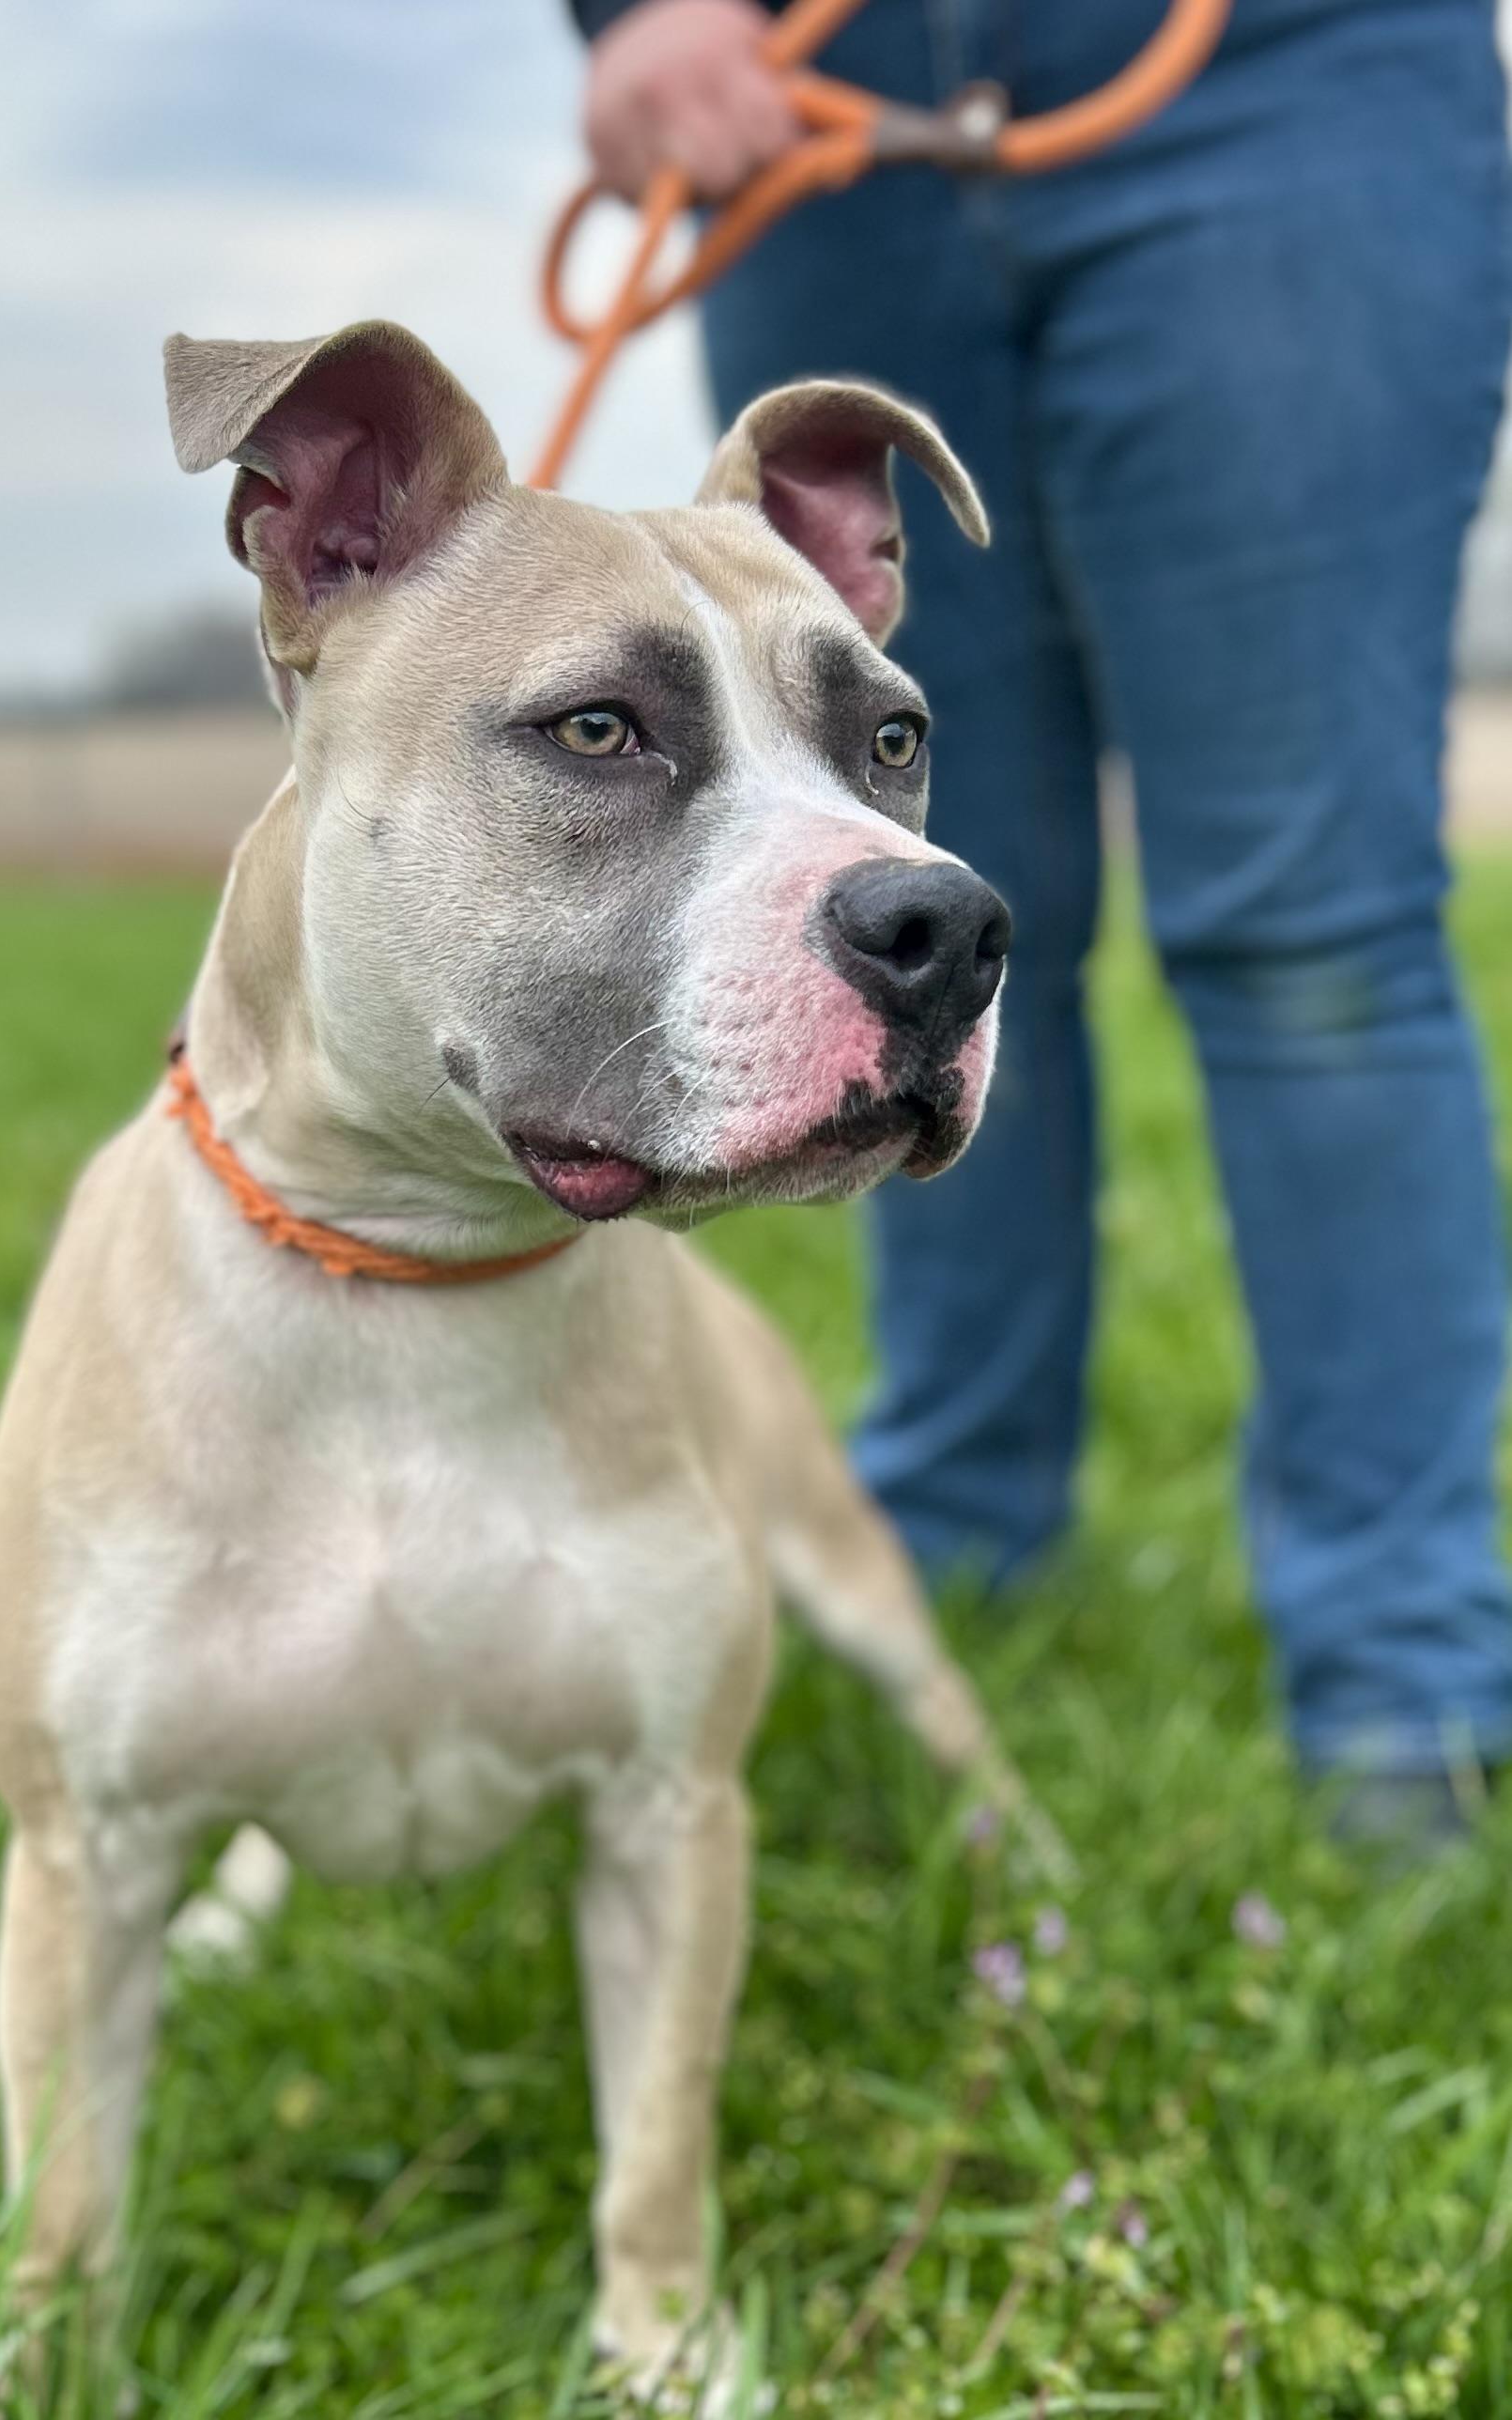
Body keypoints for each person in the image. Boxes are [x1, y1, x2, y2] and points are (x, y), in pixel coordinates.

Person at [568, 0, 1512, 1841]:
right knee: (912, 901)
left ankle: (1404, 1665)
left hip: (1275, 81)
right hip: (820, 126)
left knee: (1309, 922)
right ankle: (945, 1548)